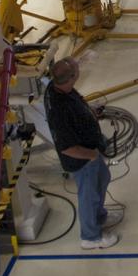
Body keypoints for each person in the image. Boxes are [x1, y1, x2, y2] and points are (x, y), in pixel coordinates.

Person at [43, 58, 121, 250]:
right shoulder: (59, 111)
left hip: (90, 151)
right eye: (77, 69)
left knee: (103, 179)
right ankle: (90, 237)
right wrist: (92, 156)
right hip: (82, 160)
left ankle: (99, 217)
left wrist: (89, 111)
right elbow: (67, 147)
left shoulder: (59, 87)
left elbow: (77, 104)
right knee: (89, 196)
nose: (79, 70)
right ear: (71, 77)